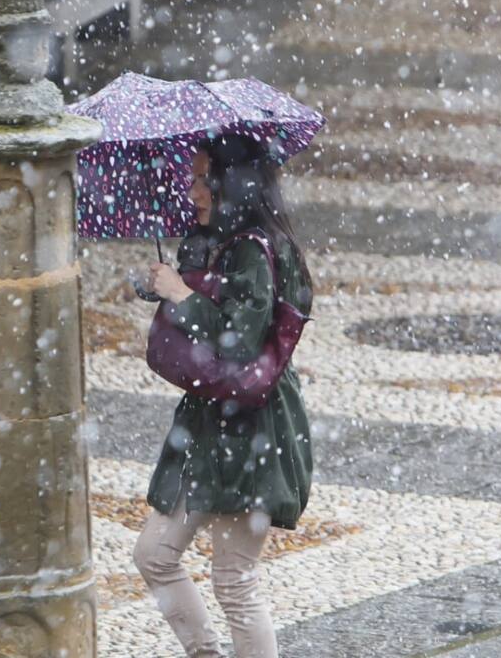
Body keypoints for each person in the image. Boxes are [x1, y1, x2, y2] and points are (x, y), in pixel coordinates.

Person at [132, 133, 314, 658]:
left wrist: (183, 295)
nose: (191, 188)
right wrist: (168, 284)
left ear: (230, 182)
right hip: (209, 422)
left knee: (234, 577)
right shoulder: (220, 241)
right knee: (154, 554)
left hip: (254, 427)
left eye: (199, 177)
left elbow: (241, 341)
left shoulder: (255, 250)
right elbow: (213, 313)